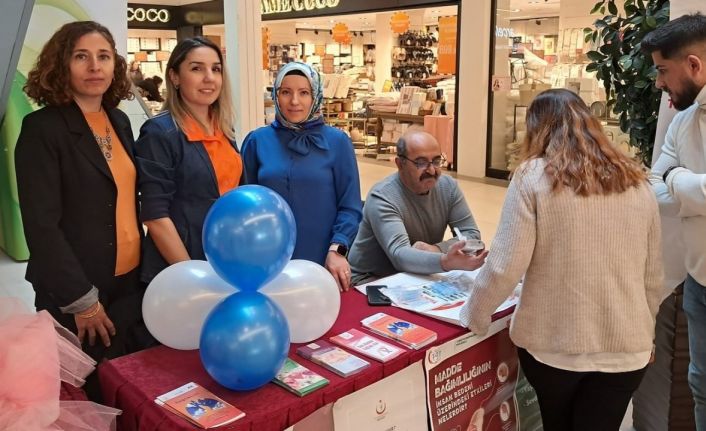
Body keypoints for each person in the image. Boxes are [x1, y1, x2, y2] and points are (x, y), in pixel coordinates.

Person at [460, 89, 664, 431]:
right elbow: (653, 276)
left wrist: (475, 315)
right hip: (627, 350)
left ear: (537, 129)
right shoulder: (637, 182)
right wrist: (647, 333)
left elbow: (504, 265)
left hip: (554, 348)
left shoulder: (533, 177)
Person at [15, 21, 148, 363]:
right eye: (81, 57)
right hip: (78, 289)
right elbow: (41, 225)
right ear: (61, 65)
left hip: (128, 283)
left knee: (126, 382)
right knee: (85, 391)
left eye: (103, 56)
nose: (94, 66)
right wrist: (81, 300)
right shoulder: (42, 129)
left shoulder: (118, 120)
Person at [241, 62, 362, 291]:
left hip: (322, 256)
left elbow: (351, 206)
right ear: (276, 95)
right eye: (286, 92)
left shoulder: (337, 142)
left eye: (304, 93)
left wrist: (338, 250)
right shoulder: (257, 141)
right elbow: (246, 204)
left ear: (315, 95)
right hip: (267, 257)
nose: (294, 101)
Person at [135, 36, 244, 284]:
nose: (209, 78)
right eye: (197, 68)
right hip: (183, 268)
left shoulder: (225, 130)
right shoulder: (160, 133)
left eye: (215, 69)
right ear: (174, 77)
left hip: (226, 259)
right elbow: (155, 215)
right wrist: (192, 276)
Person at [642, 13, 706, 430]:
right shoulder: (682, 122)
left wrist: (678, 178)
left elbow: (668, 180)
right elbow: (653, 183)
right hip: (700, 281)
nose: (660, 83)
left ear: (694, 65)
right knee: (701, 384)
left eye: (664, 70)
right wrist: (693, 191)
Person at [348, 130, 487, 285]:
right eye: (421, 163)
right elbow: (400, 255)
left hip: (416, 275)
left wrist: (437, 249)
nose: (432, 170)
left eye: (436, 161)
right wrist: (446, 261)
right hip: (371, 280)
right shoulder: (383, 197)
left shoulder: (448, 187)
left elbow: (472, 234)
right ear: (400, 164)